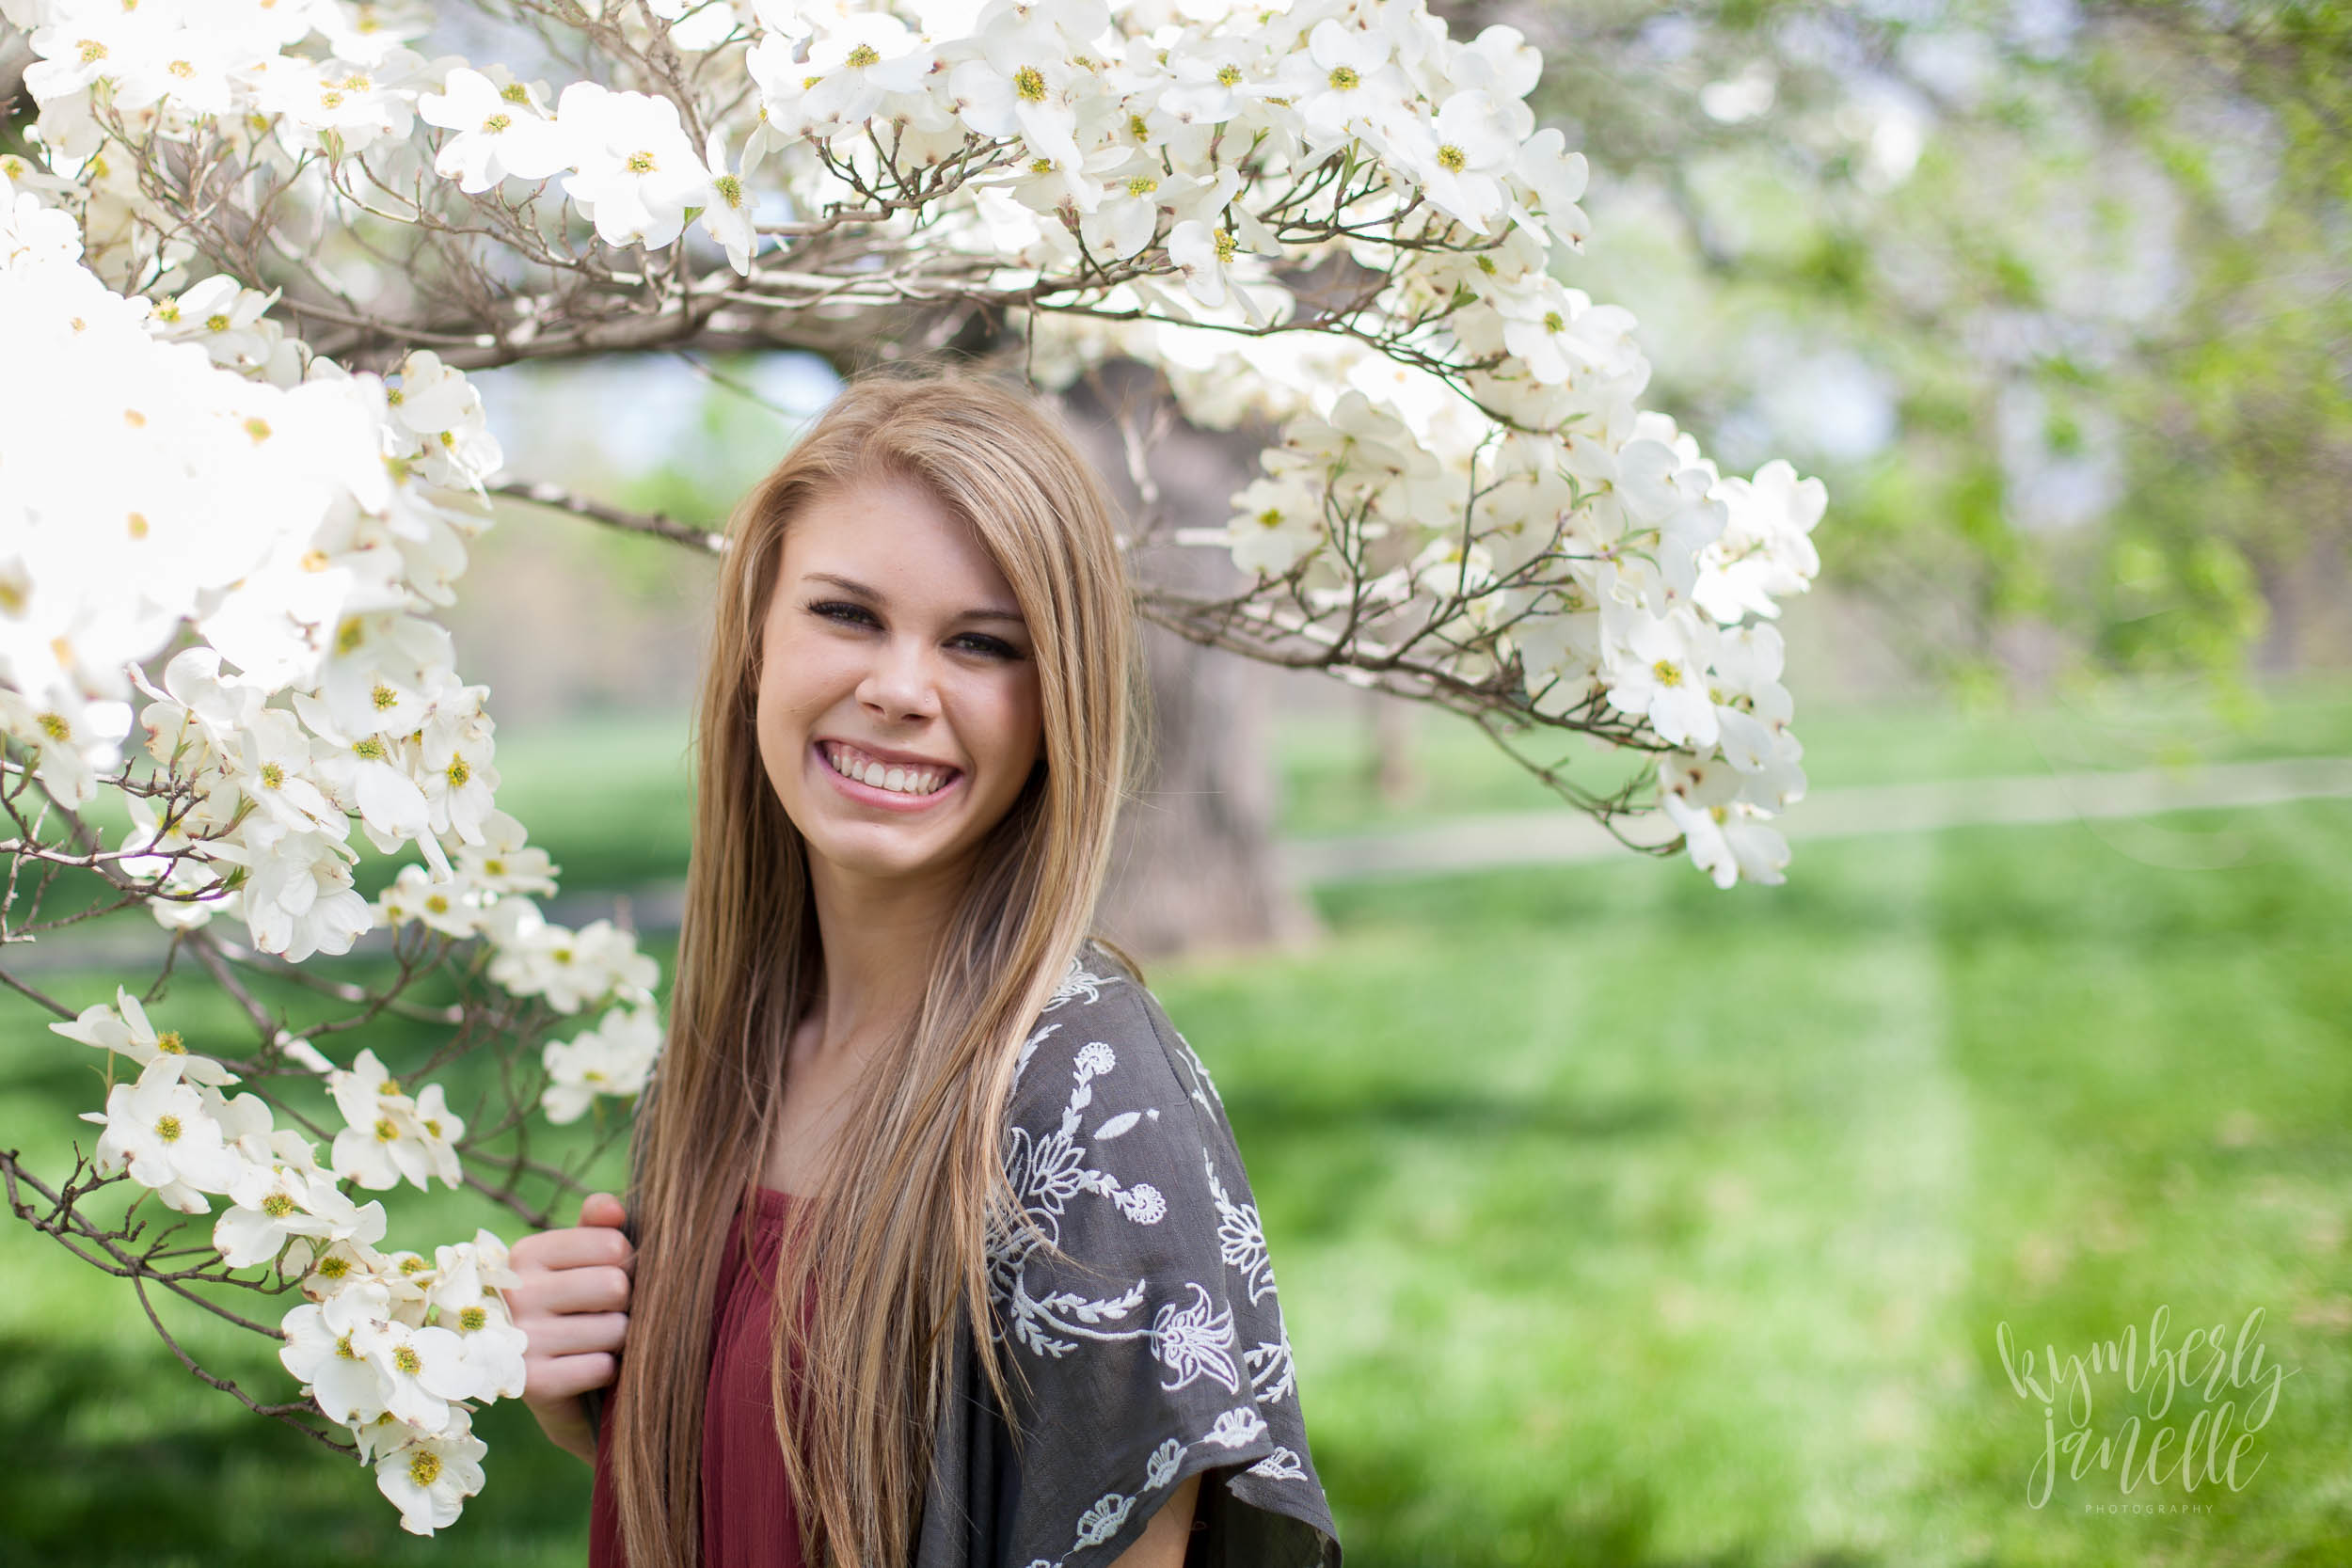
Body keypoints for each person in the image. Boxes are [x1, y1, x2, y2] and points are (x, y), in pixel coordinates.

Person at [501, 364, 1342, 1568]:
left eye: (980, 643)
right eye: (846, 614)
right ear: (752, 646)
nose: (898, 688)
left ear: (1059, 705)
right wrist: (591, 1394)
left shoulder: (1084, 1103)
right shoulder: (729, 1059)